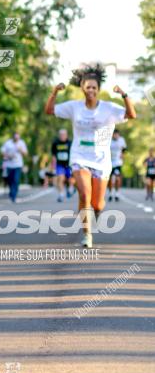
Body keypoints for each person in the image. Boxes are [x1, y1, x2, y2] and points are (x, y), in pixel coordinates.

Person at [44, 63, 136, 248]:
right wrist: (54, 92)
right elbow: (50, 110)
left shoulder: (109, 108)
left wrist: (124, 95)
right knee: (85, 194)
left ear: (98, 89)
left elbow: (131, 115)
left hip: (101, 159)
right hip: (79, 157)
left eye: (94, 87)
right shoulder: (74, 107)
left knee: (98, 204)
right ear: (82, 89)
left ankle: (93, 213)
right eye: (88, 87)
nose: (91, 90)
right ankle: (87, 235)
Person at [0, 131, 28, 202]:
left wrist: (20, 150)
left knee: (16, 180)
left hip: (18, 165)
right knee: (10, 180)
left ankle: (13, 195)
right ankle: (11, 192)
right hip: (9, 165)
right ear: (13, 137)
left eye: (18, 138)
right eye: (15, 138)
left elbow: (25, 154)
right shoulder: (8, 143)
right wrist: (8, 155)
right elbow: (2, 152)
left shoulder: (21, 143)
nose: (16, 139)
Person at [51, 128, 72, 201]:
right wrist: (53, 165)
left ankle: (69, 189)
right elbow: (53, 155)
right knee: (60, 178)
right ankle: (61, 194)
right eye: (61, 135)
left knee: (70, 180)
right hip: (59, 164)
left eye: (64, 134)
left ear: (66, 135)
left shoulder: (70, 143)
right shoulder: (55, 143)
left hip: (69, 164)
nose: (62, 136)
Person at [108, 129, 127, 202]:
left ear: (119, 135)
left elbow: (124, 148)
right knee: (110, 179)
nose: (116, 136)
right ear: (112, 135)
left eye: (117, 135)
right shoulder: (109, 140)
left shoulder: (121, 140)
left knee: (117, 178)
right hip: (109, 162)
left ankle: (117, 193)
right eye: (114, 134)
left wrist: (122, 154)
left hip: (118, 162)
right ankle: (110, 193)